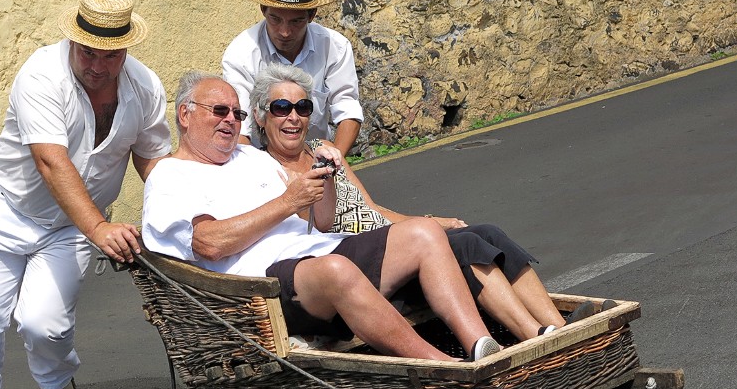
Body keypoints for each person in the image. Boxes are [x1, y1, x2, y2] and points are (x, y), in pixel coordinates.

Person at [142, 72, 505, 363]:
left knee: (423, 231)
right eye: (218, 111)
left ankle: (481, 347)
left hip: (315, 253)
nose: (230, 121)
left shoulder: (251, 158)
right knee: (335, 269)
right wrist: (286, 202)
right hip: (259, 289)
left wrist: (322, 180)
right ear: (185, 114)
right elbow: (209, 243)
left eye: (236, 114)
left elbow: (323, 220)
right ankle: (443, 367)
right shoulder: (170, 174)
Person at [0, 0, 172, 389]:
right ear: (74, 40)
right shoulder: (40, 75)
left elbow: (152, 159)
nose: (97, 64)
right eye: (88, 51)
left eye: (109, 55)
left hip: (70, 226)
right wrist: (101, 230)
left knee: (44, 323)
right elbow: (52, 162)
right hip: (4, 213)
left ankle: (55, 381)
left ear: (125, 49)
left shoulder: (145, 87)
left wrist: (177, 219)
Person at [248, 63, 607, 342]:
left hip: (398, 242)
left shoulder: (324, 153)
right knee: (465, 246)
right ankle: (535, 336)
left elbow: (374, 210)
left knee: (487, 233)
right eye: (281, 108)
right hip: (369, 266)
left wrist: (429, 222)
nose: (293, 116)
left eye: (302, 106)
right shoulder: (268, 171)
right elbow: (315, 224)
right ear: (263, 117)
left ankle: (558, 327)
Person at [221, 0, 363, 157]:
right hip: (258, 160)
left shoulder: (335, 47)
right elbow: (240, 126)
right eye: (275, 19)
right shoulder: (241, 53)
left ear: (312, 15)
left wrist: (332, 164)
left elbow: (348, 109)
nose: (285, 32)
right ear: (263, 10)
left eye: (296, 21)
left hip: (317, 156)